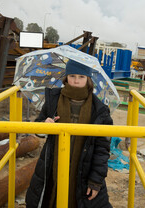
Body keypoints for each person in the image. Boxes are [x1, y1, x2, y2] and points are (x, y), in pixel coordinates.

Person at [26, 60, 113, 208]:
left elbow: (102, 149)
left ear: (88, 80)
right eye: (72, 75)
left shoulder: (99, 110)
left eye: (81, 76)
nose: (76, 80)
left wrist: (95, 181)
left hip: (83, 170)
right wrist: (45, 125)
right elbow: (38, 128)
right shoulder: (53, 99)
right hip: (52, 167)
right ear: (66, 77)